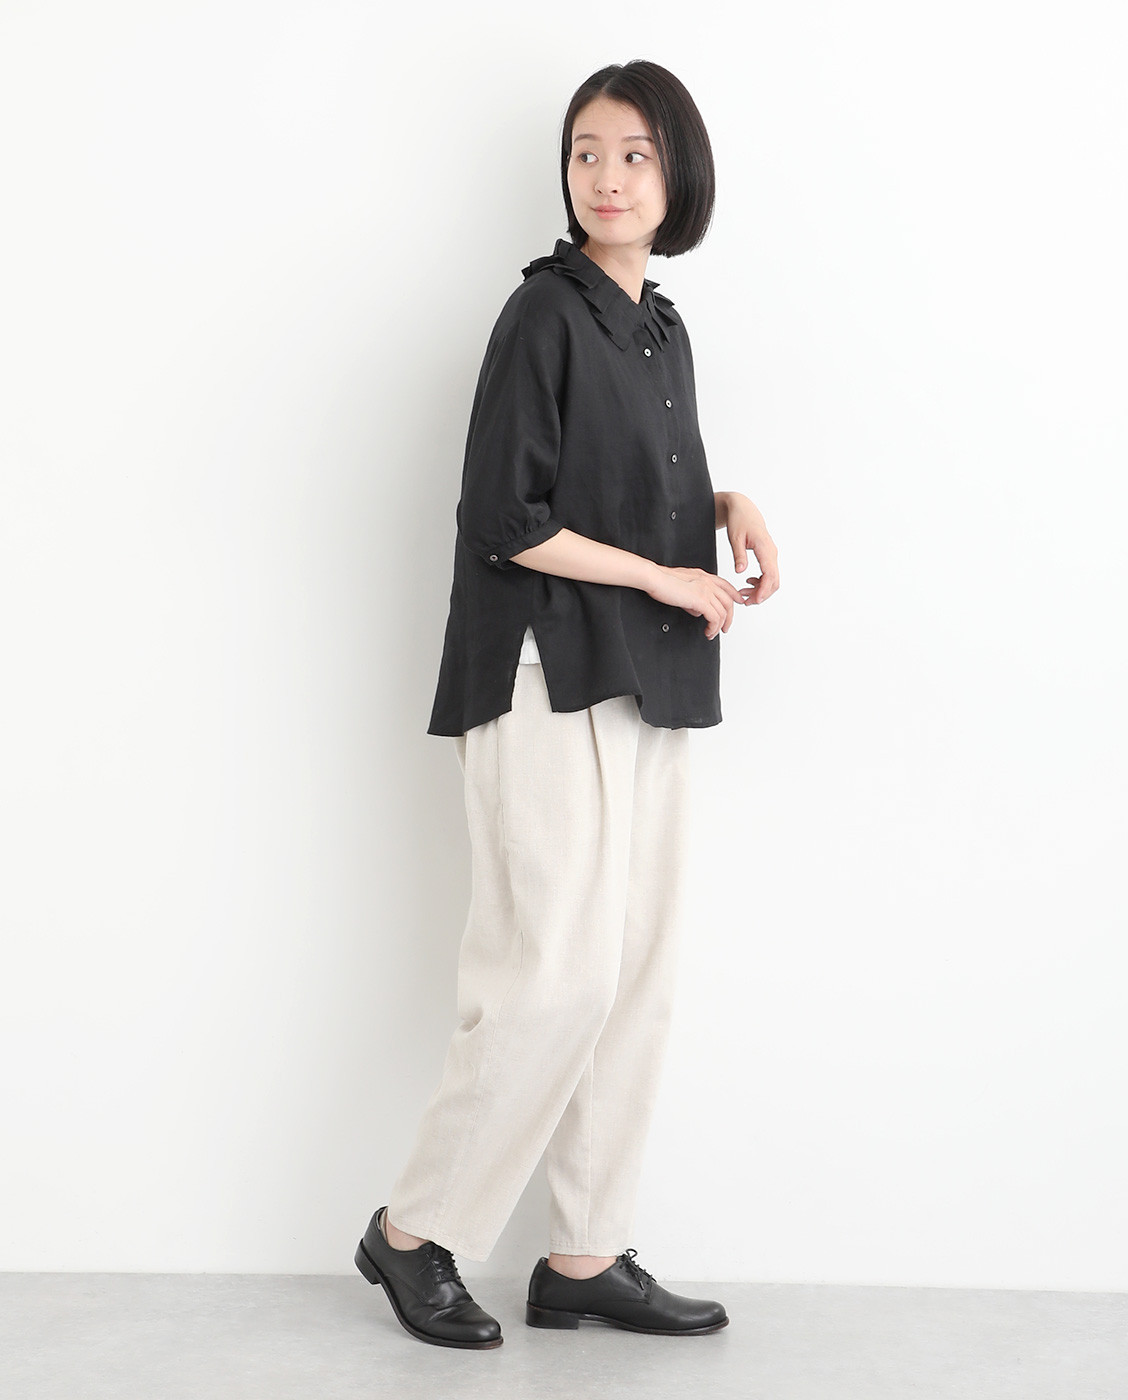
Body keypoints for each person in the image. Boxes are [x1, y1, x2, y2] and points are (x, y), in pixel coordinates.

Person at [354, 59, 780, 1350]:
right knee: (553, 974)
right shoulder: (544, 312)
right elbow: (508, 515)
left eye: (635, 154)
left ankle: (584, 1253)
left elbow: (623, 483)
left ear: (678, 174)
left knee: (635, 974)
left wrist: (725, 505)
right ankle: (412, 1233)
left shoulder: (659, 326)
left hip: (646, 673)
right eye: (587, 152)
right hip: (543, 672)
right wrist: (664, 573)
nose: (606, 176)